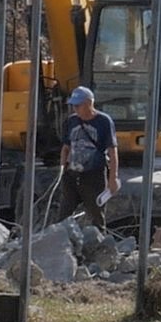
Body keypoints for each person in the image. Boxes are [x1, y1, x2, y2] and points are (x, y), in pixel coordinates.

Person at [55, 86, 118, 229]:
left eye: (78, 105)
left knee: (96, 215)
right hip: (72, 175)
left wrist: (113, 178)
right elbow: (66, 148)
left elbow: (113, 151)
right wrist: (62, 169)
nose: (75, 109)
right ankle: (62, 246)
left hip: (94, 176)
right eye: (73, 106)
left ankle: (98, 246)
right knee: (64, 214)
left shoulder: (103, 121)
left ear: (89, 103)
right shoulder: (71, 121)